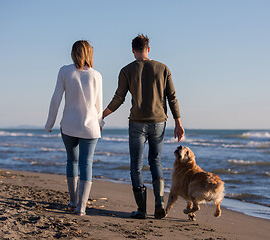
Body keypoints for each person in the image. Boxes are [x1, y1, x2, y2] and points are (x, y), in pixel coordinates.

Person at [103, 34, 185, 219]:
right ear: (148, 49)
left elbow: (119, 98)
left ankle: (141, 209)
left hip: (137, 123)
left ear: (133, 51)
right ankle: (159, 204)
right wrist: (178, 122)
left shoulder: (126, 70)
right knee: (155, 161)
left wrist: (101, 115)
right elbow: (172, 98)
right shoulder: (163, 68)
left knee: (136, 166)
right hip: (158, 122)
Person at [45, 40, 103, 216]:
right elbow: (98, 106)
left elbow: (56, 99)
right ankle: (82, 208)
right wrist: (99, 124)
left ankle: (72, 201)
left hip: (69, 125)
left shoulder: (65, 71)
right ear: (90, 54)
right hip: (90, 126)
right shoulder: (96, 75)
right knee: (86, 163)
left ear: (73, 53)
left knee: (72, 161)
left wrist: (50, 123)